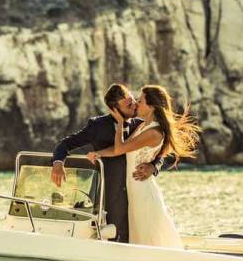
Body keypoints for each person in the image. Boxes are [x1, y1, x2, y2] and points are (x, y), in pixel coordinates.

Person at [86, 84, 200, 248]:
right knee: (139, 237)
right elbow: (124, 149)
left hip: (141, 191)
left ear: (151, 107)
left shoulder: (153, 132)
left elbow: (120, 148)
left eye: (140, 100)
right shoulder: (143, 125)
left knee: (149, 238)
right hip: (134, 189)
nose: (136, 103)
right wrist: (99, 153)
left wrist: (119, 123)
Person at [51, 83, 163, 243]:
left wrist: (154, 167)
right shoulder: (98, 126)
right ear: (114, 108)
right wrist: (58, 163)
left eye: (133, 101)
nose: (134, 106)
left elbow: (159, 151)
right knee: (109, 238)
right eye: (128, 104)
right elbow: (66, 144)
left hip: (136, 193)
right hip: (107, 194)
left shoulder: (140, 125)